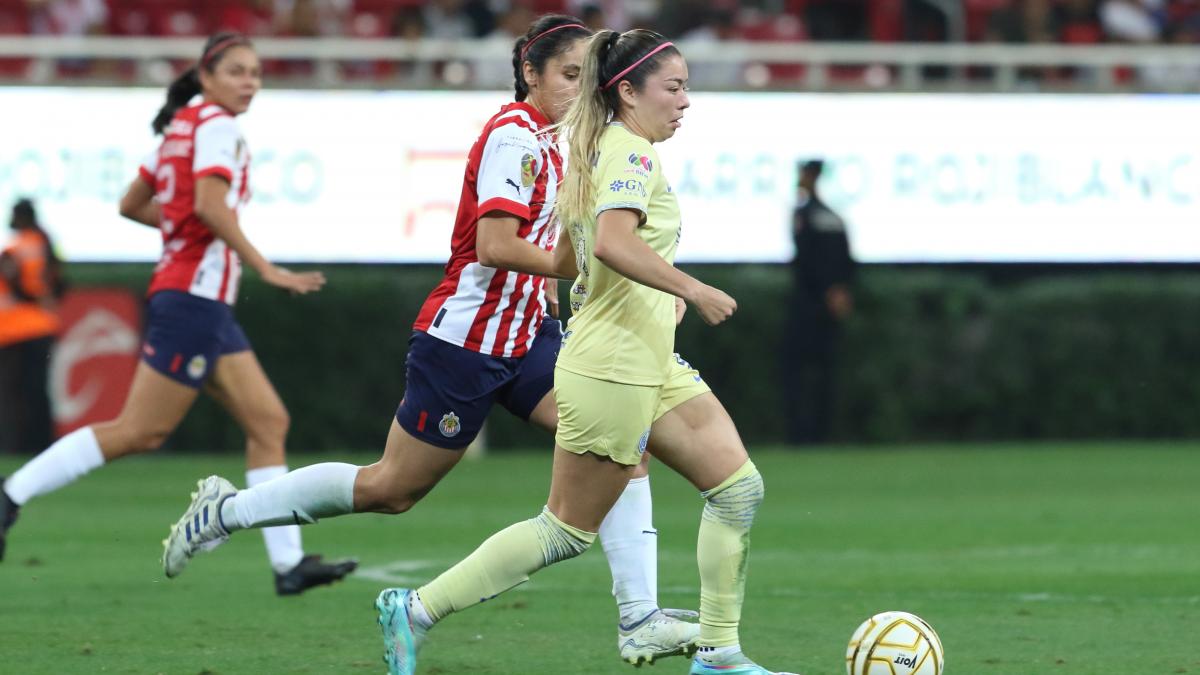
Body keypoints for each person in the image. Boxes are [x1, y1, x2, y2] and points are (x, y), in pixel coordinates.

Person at [162, 16, 699, 666]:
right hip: (467, 339)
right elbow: (496, 245)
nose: (577, 87)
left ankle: (639, 616)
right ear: (530, 74)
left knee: (622, 445)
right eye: (565, 73)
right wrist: (588, 264)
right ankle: (229, 510)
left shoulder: (574, 142)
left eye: (585, 76)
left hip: (530, 336)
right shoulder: (515, 136)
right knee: (391, 488)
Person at [371, 29, 798, 675]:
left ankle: (717, 654)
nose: (685, 102)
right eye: (674, 88)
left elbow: (576, 256)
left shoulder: (593, 148)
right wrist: (690, 287)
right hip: (612, 365)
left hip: (646, 356)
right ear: (627, 90)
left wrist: (649, 295)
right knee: (565, 530)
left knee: (737, 489)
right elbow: (611, 244)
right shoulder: (628, 153)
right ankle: (417, 608)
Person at [0, 33, 356, 595]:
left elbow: (131, 204)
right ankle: (11, 494)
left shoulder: (181, 124)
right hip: (193, 300)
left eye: (256, 74)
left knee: (268, 422)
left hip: (198, 300)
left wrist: (188, 230)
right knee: (140, 430)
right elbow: (211, 207)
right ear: (206, 75)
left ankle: (288, 566)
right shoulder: (216, 125)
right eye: (237, 71)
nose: (250, 83)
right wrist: (266, 267)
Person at [784, 160, 855, 445]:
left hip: (809, 304)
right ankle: (821, 432)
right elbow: (847, 262)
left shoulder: (807, 215)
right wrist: (839, 291)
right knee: (824, 371)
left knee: (800, 371)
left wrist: (828, 290)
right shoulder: (834, 216)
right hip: (827, 305)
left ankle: (804, 433)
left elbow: (806, 261)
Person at [0, 199, 63, 456]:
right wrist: (43, 299)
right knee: (38, 391)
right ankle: (44, 446)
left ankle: (14, 446)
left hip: (12, 330)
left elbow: (14, 284)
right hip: (42, 326)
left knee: (11, 395)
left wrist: (30, 298)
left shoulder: (12, 249)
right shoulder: (45, 244)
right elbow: (60, 281)